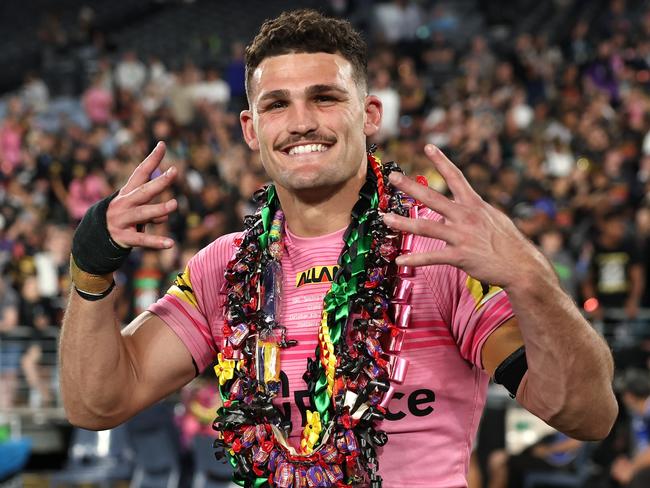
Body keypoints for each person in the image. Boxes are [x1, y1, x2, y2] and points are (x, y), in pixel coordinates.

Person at [59, 9, 617, 488]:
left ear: (369, 114)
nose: (301, 122)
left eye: (325, 98)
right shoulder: (223, 268)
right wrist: (90, 268)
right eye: (277, 105)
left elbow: (588, 414)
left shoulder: (436, 250)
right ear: (251, 130)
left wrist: (530, 278)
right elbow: (97, 403)